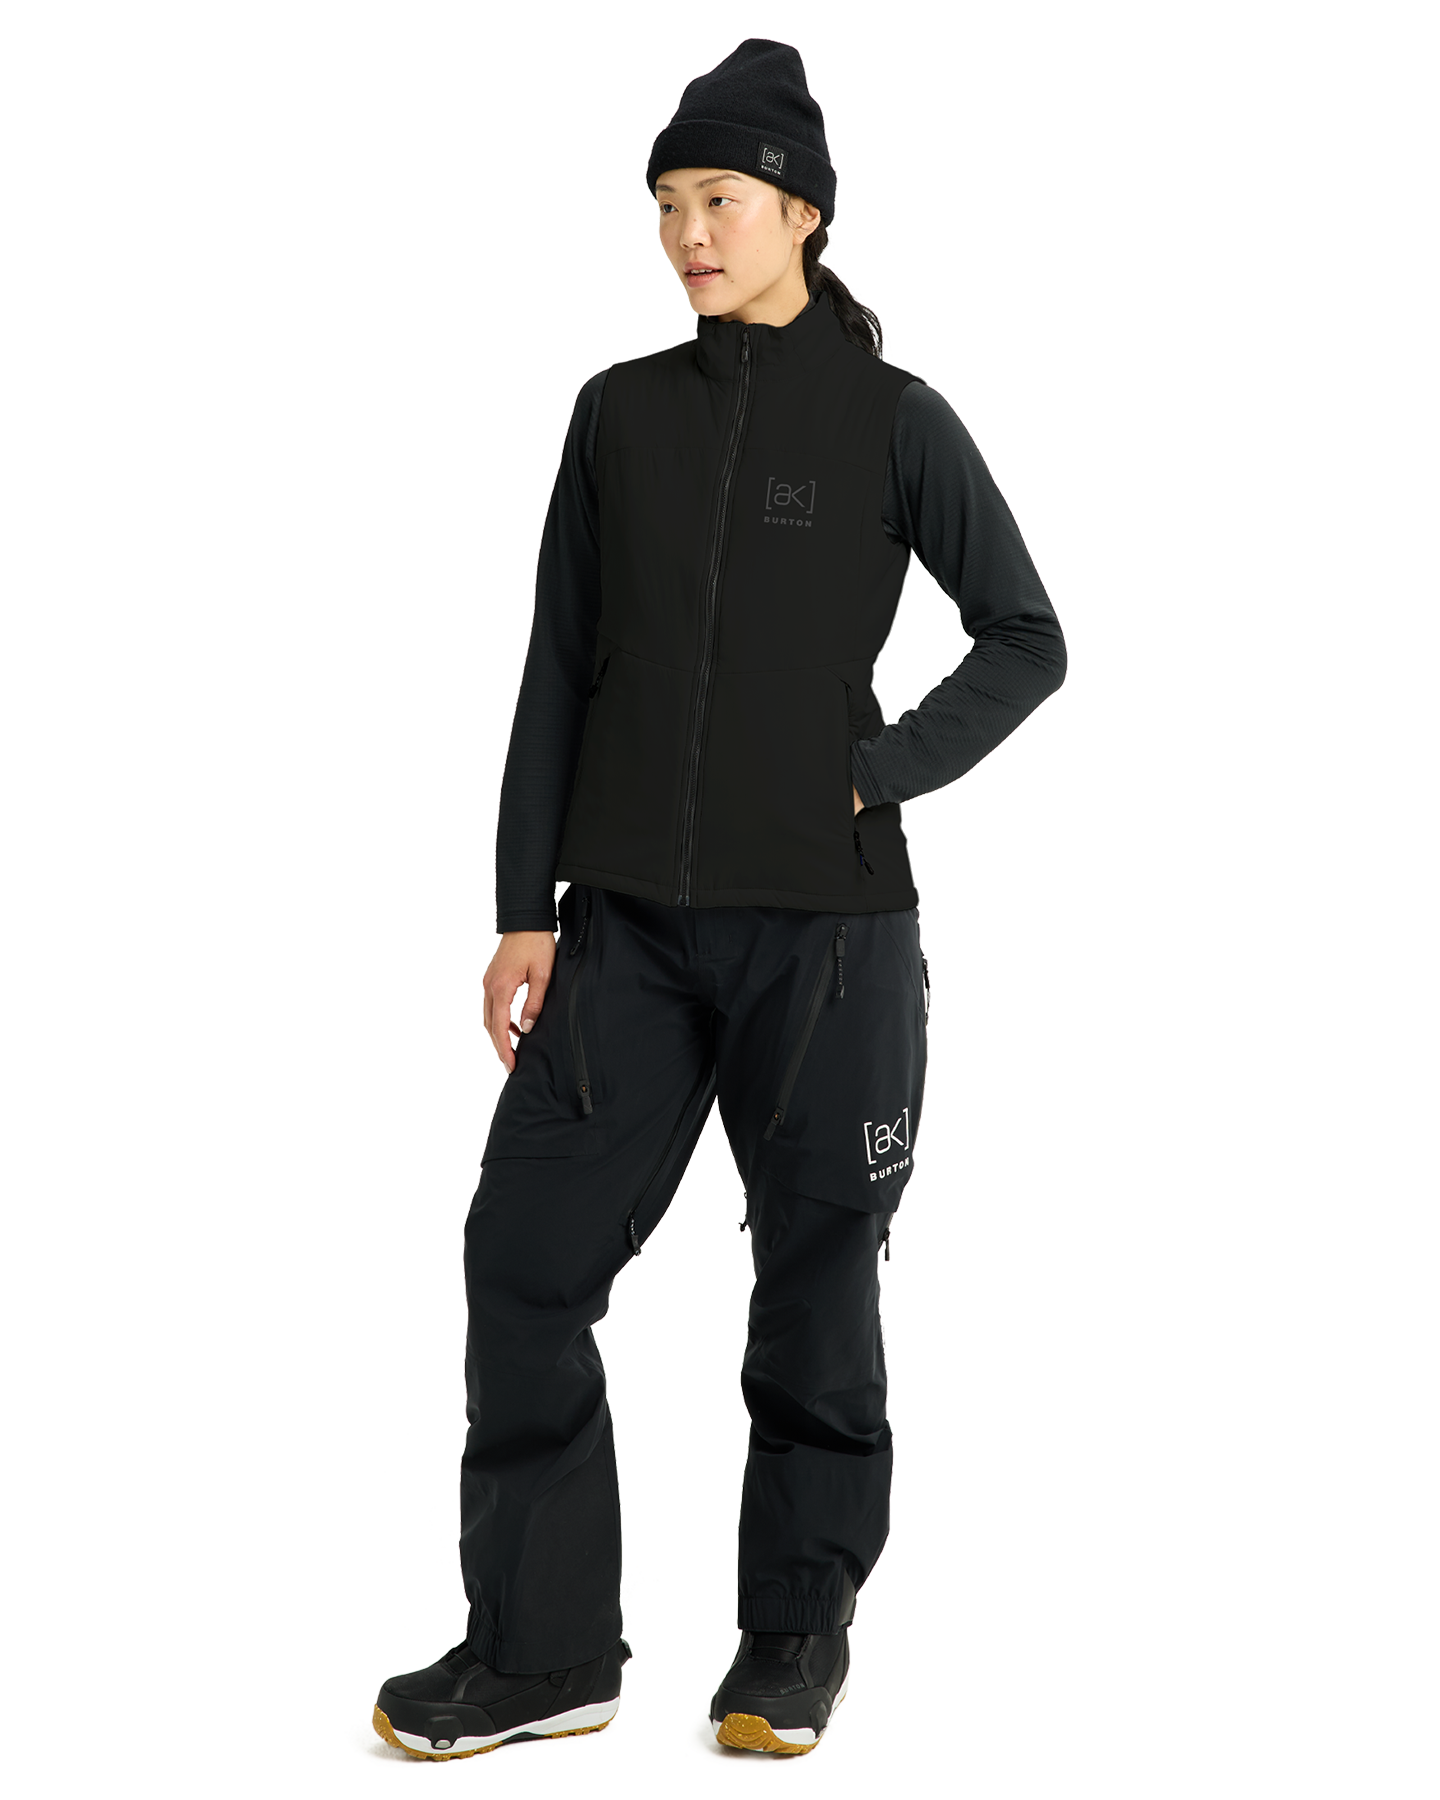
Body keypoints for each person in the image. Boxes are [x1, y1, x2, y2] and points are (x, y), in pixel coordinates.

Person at [373, 39, 1066, 1762]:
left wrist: (880, 772)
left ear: (802, 213)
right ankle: (542, 1650)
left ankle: (794, 1637)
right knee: (522, 1257)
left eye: (721, 200)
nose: (688, 232)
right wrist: (524, 903)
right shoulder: (620, 421)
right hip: (625, 929)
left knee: (814, 1282)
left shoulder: (893, 420)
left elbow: (1025, 636)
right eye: (670, 203)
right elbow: (558, 665)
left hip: (828, 934)